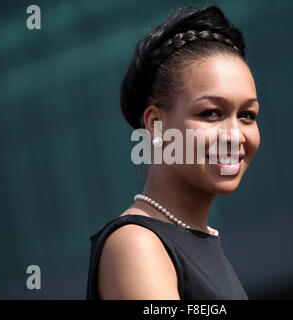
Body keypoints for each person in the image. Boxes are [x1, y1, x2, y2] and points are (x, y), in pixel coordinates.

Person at [86, 5, 260, 300]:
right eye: (211, 113)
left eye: (247, 115)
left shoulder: (199, 239)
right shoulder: (137, 245)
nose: (234, 136)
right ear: (157, 124)